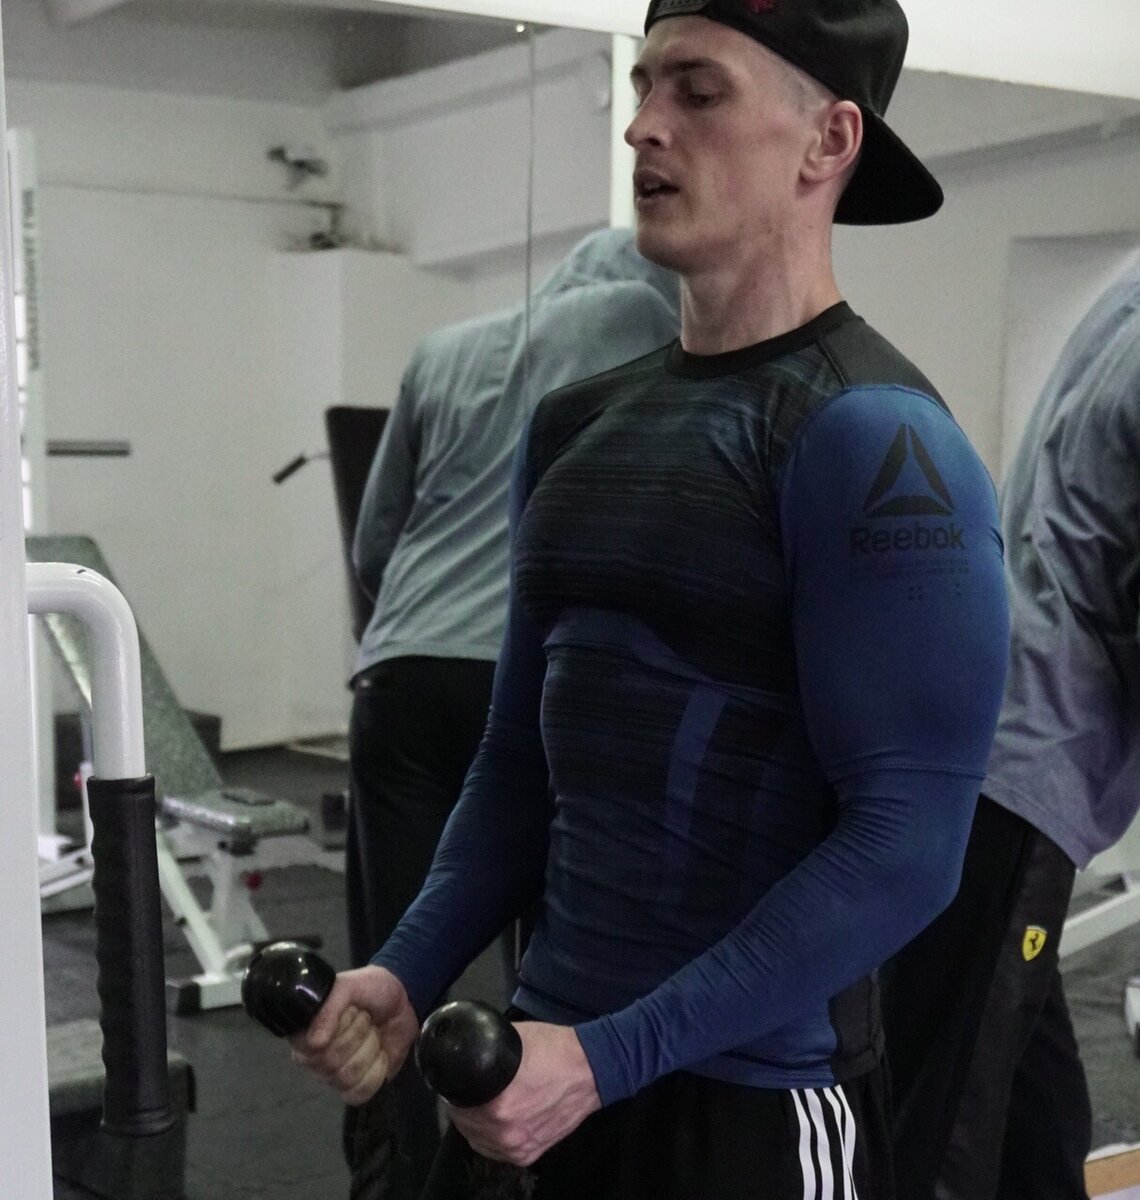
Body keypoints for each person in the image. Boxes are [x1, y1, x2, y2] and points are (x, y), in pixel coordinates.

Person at [297, 2, 1011, 1197]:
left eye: (698, 90)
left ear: (829, 141)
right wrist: (410, 967)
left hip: (750, 1108)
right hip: (541, 1076)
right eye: (642, 87)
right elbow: (516, 766)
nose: (643, 127)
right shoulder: (574, 423)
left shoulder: (877, 442)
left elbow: (910, 846)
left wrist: (609, 1058)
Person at [344, 226, 681, 1197]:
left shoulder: (441, 349)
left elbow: (373, 546)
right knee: (542, 973)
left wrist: (419, 622)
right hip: (533, 679)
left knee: (391, 974)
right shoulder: (648, 324)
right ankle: (513, 1173)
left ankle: (387, 1184)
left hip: (403, 673)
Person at [883, 254, 1140, 1200]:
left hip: (990, 727)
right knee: (950, 1135)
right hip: (1026, 769)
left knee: (1034, 1111)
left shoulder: (1126, 290)